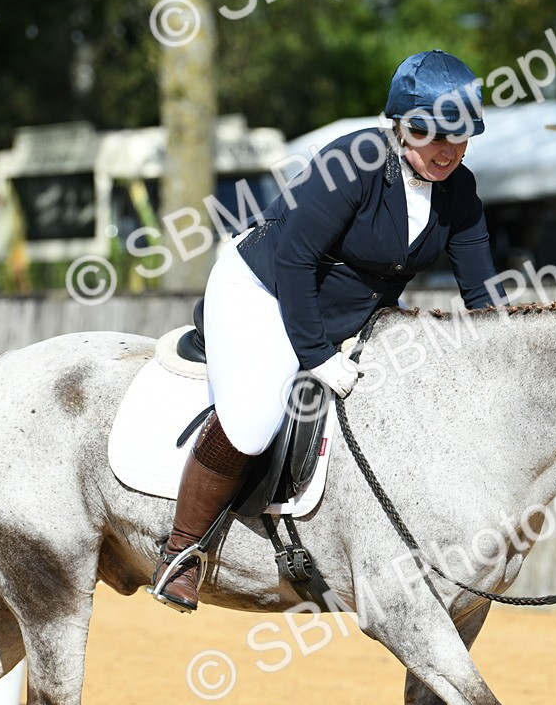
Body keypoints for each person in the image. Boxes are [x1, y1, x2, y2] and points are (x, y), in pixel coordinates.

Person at [149, 49, 506, 613]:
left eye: (461, 138)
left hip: (350, 313)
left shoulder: (458, 190)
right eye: (433, 135)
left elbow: (483, 293)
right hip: (263, 289)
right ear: (401, 125)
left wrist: (505, 359)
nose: (448, 151)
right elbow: (295, 261)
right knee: (252, 418)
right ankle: (182, 551)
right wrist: (315, 354)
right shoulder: (355, 161)